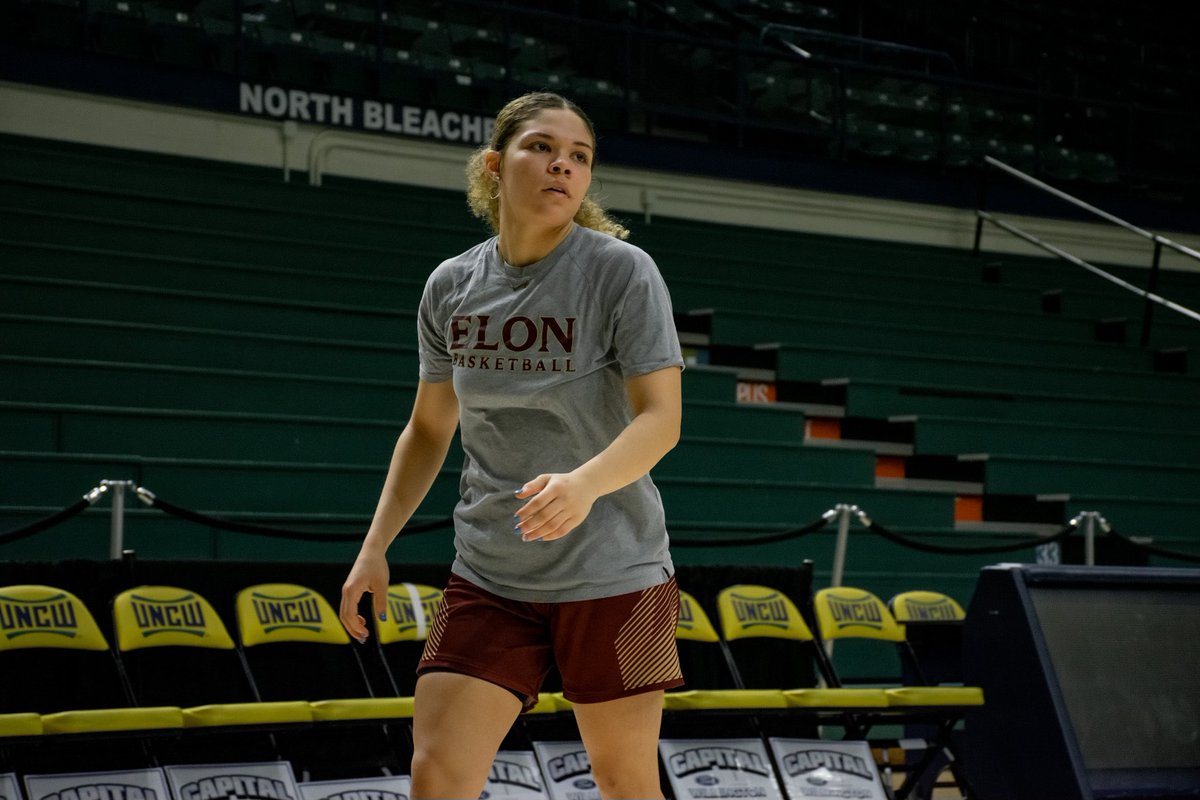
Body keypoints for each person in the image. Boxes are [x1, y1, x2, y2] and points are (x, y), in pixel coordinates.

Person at [339, 91, 685, 798]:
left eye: (579, 156)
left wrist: (585, 484)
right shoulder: (451, 285)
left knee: (624, 781)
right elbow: (428, 428)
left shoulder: (622, 271)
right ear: (495, 165)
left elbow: (662, 419)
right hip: (490, 573)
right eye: (541, 147)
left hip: (615, 572)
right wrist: (374, 547)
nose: (562, 165)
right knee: (437, 773)